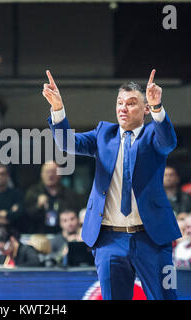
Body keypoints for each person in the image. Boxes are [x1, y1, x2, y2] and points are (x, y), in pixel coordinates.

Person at [44, 69, 181, 300]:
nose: (122, 108)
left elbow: (168, 143)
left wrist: (158, 107)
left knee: (166, 297)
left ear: (145, 109)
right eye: (119, 103)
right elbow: (67, 143)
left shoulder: (152, 135)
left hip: (152, 238)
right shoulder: (103, 133)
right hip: (109, 240)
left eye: (131, 103)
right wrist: (58, 108)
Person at [24, 161, 84, 234]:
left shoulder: (70, 194)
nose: (50, 175)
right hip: (39, 235)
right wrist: (38, 206)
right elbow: (25, 218)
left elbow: (78, 216)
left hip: (64, 236)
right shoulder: (33, 193)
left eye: (53, 171)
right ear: (41, 174)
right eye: (47, 172)